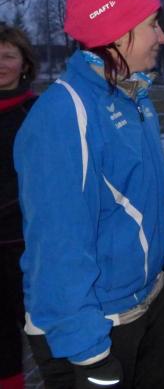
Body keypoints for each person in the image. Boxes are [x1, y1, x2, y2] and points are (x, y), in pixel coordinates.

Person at [14, 0, 164, 389]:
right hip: (97, 325)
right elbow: (57, 245)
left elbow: (149, 194)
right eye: (152, 24)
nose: (162, 36)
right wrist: (87, 352)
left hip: (147, 300)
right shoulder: (64, 115)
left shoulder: (135, 98)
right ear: (117, 34)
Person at [0, 24, 38, 389]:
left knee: (42, 327)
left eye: (9, 56)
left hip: (28, 244)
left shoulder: (37, 112)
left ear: (25, 64)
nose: (1, 64)